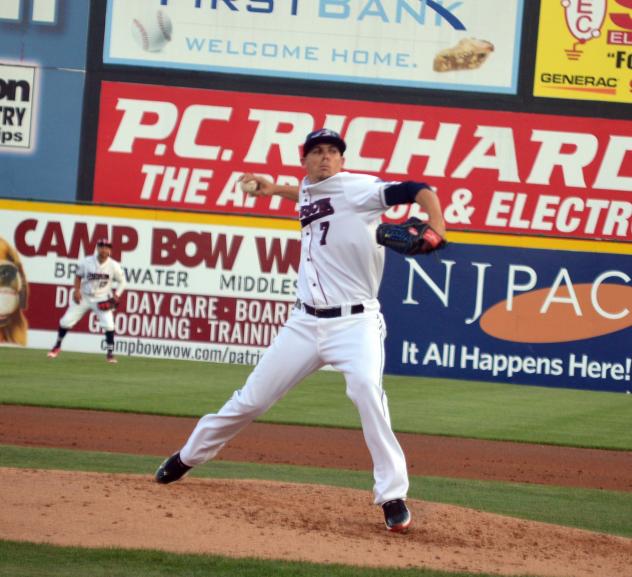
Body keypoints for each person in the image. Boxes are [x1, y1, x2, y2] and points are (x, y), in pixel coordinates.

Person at [155, 128, 446, 532]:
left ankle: (392, 495)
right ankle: (186, 457)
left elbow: (419, 188)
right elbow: (306, 194)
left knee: (365, 389)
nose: (325, 158)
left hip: (355, 322)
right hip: (304, 323)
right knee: (251, 400)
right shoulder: (310, 188)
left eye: (332, 152)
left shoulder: (358, 188)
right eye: (317, 152)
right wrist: (273, 188)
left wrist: (438, 224)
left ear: (342, 160)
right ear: (305, 161)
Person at [47, 238, 126, 364]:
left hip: (102, 297)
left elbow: (122, 282)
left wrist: (116, 295)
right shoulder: (87, 262)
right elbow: (78, 276)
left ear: (110, 250)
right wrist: (76, 291)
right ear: (97, 248)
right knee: (65, 321)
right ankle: (57, 346)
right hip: (85, 296)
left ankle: (110, 354)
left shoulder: (114, 265)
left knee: (109, 325)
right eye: (101, 246)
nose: (103, 249)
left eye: (106, 247)